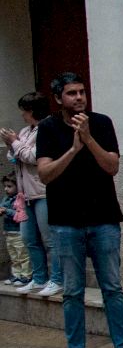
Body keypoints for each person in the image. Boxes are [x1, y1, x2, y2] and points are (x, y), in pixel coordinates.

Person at [37, 72, 123, 348]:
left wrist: (88, 140)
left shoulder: (101, 123)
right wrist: (73, 149)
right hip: (66, 223)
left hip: (104, 219)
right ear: (58, 98)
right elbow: (45, 174)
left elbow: (112, 166)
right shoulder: (48, 128)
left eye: (82, 92)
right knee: (72, 291)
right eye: (71, 93)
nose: (79, 98)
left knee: (112, 288)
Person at [2, 92, 60, 295]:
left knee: (49, 239)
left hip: (42, 192)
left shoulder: (48, 127)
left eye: (24, 111)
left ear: (32, 110)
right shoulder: (26, 131)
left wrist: (15, 143)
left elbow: (34, 156)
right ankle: (39, 278)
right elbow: (13, 157)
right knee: (29, 238)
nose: (22, 115)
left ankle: (57, 278)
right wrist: (11, 143)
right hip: (24, 194)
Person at [1, 175, 31, 285]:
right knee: (13, 256)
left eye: (9, 186)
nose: (6, 189)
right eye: (5, 186)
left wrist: (6, 211)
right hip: (9, 232)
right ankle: (16, 275)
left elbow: (20, 214)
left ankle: (26, 276)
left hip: (18, 232)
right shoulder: (5, 199)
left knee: (22, 255)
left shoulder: (20, 199)